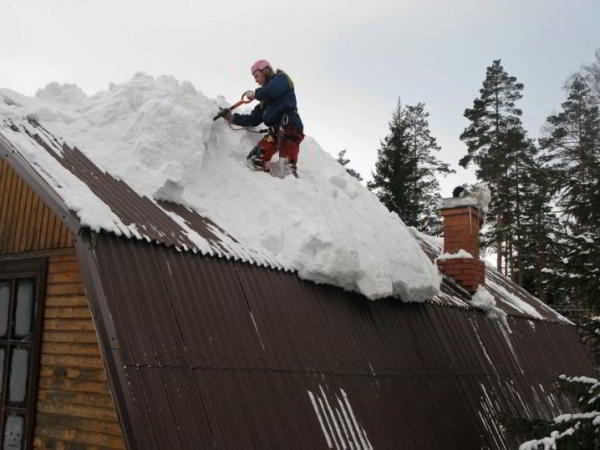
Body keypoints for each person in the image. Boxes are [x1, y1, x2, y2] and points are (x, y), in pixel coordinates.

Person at [223, 59, 304, 176]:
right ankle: (266, 183)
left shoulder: (282, 79)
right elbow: (253, 119)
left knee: (286, 168)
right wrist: (231, 118)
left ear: (265, 70)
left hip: (289, 126)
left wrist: (255, 94)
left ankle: (291, 185)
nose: (256, 80)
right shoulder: (264, 102)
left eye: (257, 75)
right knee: (254, 160)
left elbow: (271, 91)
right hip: (275, 133)